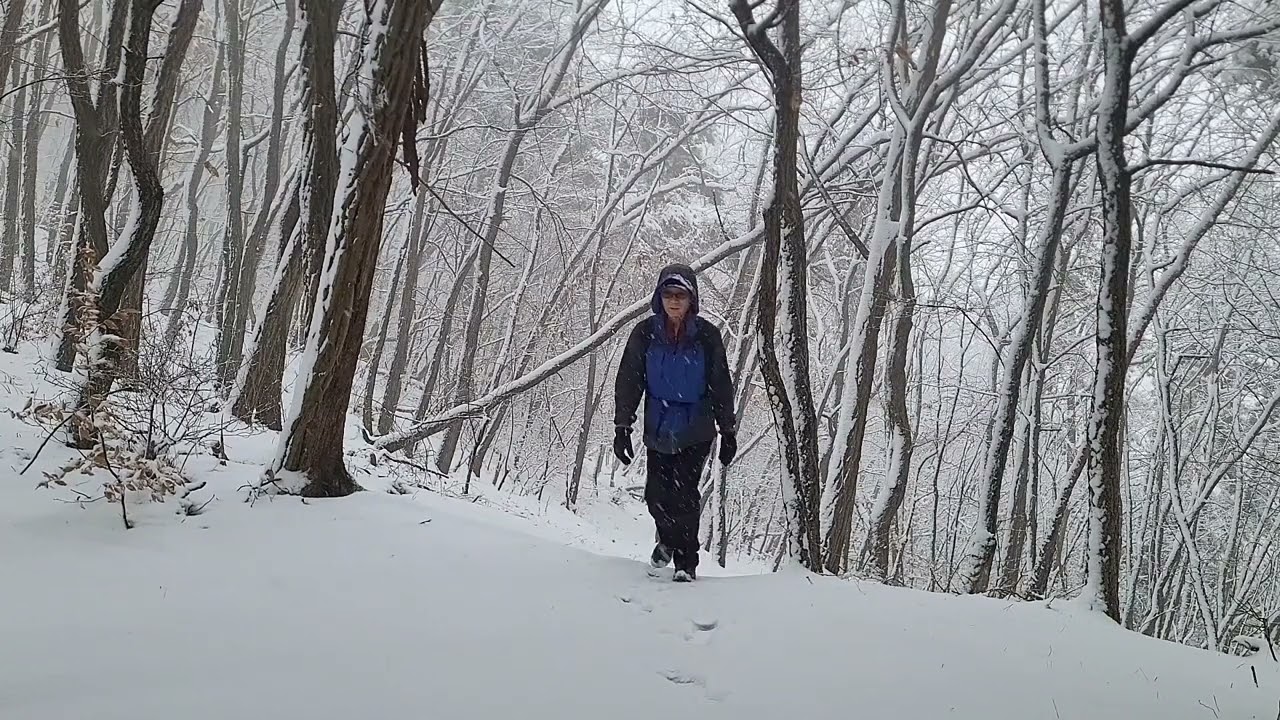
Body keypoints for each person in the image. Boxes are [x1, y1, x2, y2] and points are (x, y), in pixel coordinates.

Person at [612, 263, 737, 582]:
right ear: (659, 297)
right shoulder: (646, 333)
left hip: (696, 427)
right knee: (656, 494)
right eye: (668, 294)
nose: (674, 301)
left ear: (691, 298)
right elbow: (629, 379)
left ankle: (686, 562)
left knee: (684, 495)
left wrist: (727, 430)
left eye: (681, 295)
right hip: (658, 424)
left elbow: (720, 382)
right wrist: (622, 426)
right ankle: (667, 540)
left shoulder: (707, 336)